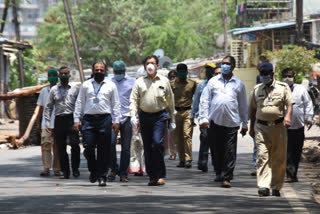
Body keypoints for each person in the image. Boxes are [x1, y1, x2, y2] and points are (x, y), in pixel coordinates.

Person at [199, 56, 248, 188]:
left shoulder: (239, 84)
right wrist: (203, 118)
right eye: (223, 64)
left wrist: (245, 123)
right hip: (215, 122)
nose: (224, 66)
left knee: (230, 151)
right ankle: (219, 171)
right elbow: (205, 101)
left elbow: (243, 105)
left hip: (232, 123)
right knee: (216, 150)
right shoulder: (213, 82)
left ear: (233, 66)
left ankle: (227, 177)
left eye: (227, 64)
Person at [249, 62, 294, 197]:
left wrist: (287, 116)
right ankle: (264, 186)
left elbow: (290, 103)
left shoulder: (283, 87)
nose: (263, 77)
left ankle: (276, 186)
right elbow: (252, 110)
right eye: (261, 74)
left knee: (278, 158)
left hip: (278, 127)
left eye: (266, 74)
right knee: (262, 157)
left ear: (272, 75)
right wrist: (251, 127)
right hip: (261, 128)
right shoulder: (256, 90)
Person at [130, 55, 175, 186]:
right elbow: (133, 100)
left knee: (157, 144)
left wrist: (172, 118)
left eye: (153, 63)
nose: (150, 65)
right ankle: (152, 176)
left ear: (157, 66)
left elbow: (170, 100)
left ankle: (160, 174)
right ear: (145, 67)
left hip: (160, 117)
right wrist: (133, 116)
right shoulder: (139, 82)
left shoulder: (164, 81)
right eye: (148, 63)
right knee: (148, 147)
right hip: (145, 117)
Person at [74, 62, 121, 187]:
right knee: (88, 146)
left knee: (103, 149)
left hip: (105, 119)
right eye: (97, 70)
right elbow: (79, 102)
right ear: (92, 71)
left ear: (105, 71)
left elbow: (115, 104)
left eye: (101, 70)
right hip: (88, 119)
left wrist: (117, 121)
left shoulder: (111, 85)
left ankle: (102, 176)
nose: (99, 72)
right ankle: (93, 169)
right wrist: (76, 120)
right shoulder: (86, 85)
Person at [44, 66, 81, 179]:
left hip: (72, 119)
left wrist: (78, 120)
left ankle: (75, 169)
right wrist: (47, 122)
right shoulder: (54, 89)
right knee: (61, 147)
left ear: (69, 75)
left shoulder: (75, 89)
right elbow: (48, 106)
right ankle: (65, 171)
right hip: (59, 120)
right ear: (59, 75)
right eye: (62, 74)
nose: (64, 76)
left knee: (75, 145)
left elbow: (79, 105)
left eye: (66, 74)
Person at [281, 68, 313, 183]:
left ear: (294, 77)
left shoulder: (301, 89)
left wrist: (309, 118)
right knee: (287, 151)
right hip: (284, 127)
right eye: (285, 76)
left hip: (299, 125)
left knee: (297, 151)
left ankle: (293, 174)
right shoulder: (279, 90)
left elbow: (308, 103)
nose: (287, 78)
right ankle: (289, 175)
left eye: (290, 76)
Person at [107, 60, 135, 182]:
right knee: (111, 143)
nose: (118, 73)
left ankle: (123, 173)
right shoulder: (108, 82)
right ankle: (114, 168)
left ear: (124, 71)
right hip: (113, 118)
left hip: (127, 117)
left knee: (126, 147)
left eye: (120, 71)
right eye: (116, 71)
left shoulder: (132, 82)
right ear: (113, 71)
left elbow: (135, 99)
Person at [191, 62, 220, 172]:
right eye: (206, 69)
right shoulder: (201, 85)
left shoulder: (218, 84)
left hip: (216, 118)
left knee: (215, 142)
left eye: (210, 69)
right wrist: (192, 115)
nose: (208, 72)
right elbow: (196, 101)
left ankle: (216, 163)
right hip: (204, 117)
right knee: (204, 139)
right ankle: (202, 162)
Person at [171, 63, 197, 168]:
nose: (182, 74)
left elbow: (197, 98)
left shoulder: (192, 84)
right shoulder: (172, 85)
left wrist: (195, 113)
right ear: (177, 73)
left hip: (188, 112)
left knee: (187, 135)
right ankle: (181, 160)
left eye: (184, 72)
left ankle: (188, 159)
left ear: (187, 72)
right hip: (177, 112)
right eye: (180, 72)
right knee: (179, 137)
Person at [37, 68, 60, 177]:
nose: (52, 77)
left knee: (57, 147)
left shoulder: (61, 89)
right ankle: (46, 168)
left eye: (54, 75)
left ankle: (57, 169)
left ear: (57, 76)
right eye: (50, 75)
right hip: (45, 123)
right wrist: (38, 122)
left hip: (58, 122)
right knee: (45, 145)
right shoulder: (43, 91)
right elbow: (40, 107)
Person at [167, 70, 178, 160]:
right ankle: (173, 153)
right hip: (171, 113)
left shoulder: (180, 86)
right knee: (171, 135)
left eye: (174, 77)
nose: (172, 79)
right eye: (171, 77)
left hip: (181, 111)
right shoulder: (167, 87)